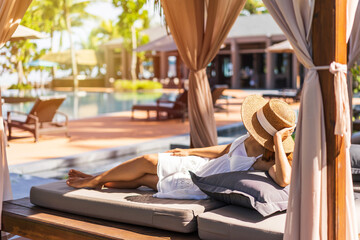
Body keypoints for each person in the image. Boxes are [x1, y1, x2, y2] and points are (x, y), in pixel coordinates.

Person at [67, 95, 296, 200]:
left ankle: (96, 181)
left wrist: (276, 141)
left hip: (203, 183)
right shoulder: (248, 138)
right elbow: (225, 150)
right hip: (204, 165)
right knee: (149, 161)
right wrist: (189, 151)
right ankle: (96, 179)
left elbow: (284, 179)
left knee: (144, 180)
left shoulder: (270, 160)